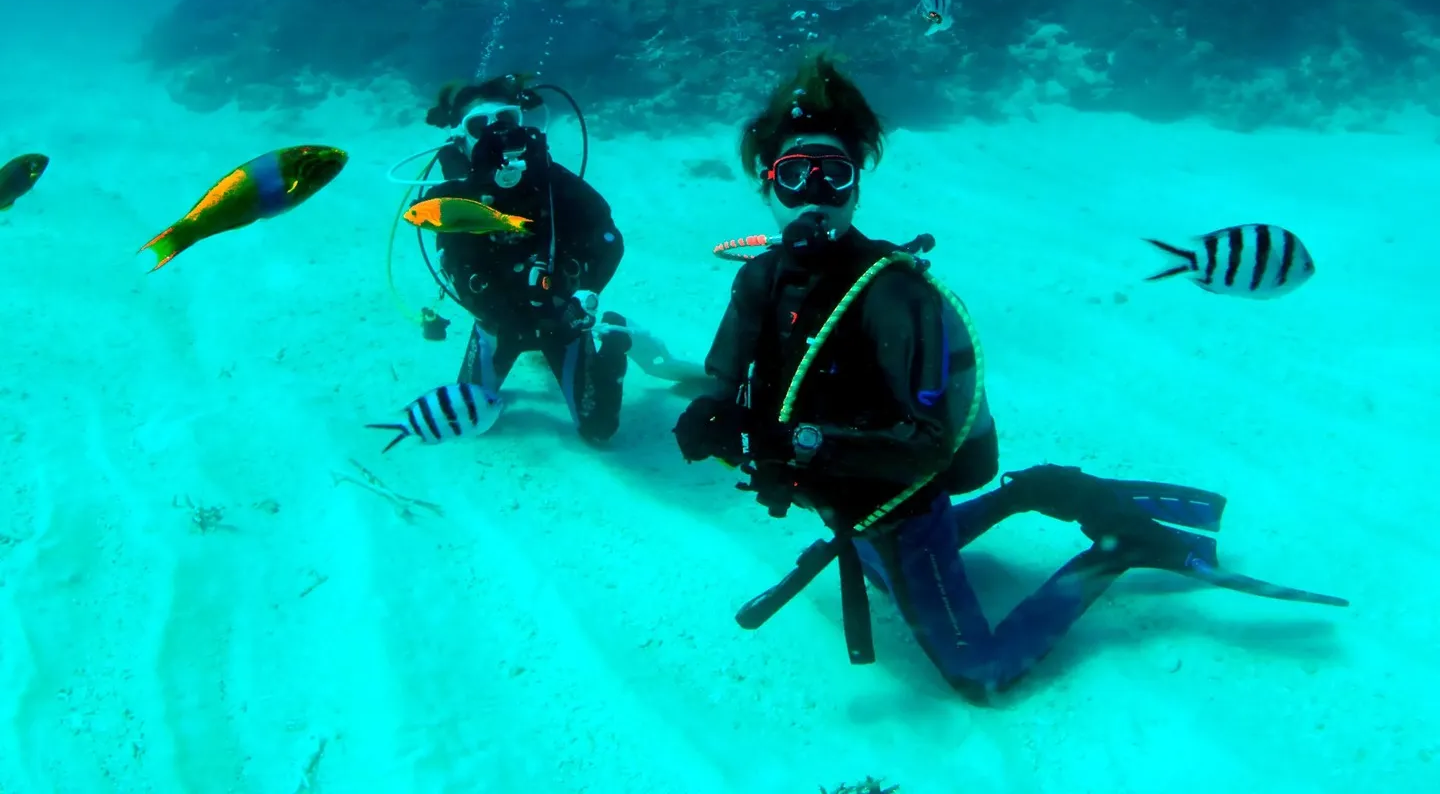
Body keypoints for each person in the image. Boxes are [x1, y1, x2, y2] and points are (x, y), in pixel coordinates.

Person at [674, 54, 1346, 698]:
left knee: (982, 673)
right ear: (766, 184)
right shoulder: (759, 279)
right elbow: (726, 370)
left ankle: (1118, 550)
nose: (813, 196)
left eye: (835, 175)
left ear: (857, 186)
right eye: (795, 175)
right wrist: (711, 408)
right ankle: (1033, 492)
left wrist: (798, 445)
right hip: (849, 501)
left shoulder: (894, 297)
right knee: (878, 565)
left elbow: (930, 449)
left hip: (901, 507)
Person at [420, 74, 631, 444]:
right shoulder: (454, 199)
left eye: (506, 119)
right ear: (461, 138)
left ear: (521, 122)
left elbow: (608, 238)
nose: (496, 133)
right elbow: (452, 263)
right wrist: (496, 309)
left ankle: (613, 347)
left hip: (561, 319)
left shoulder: (554, 182)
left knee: (599, 431)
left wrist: (587, 293)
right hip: (497, 325)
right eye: (478, 125)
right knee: (468, 419)